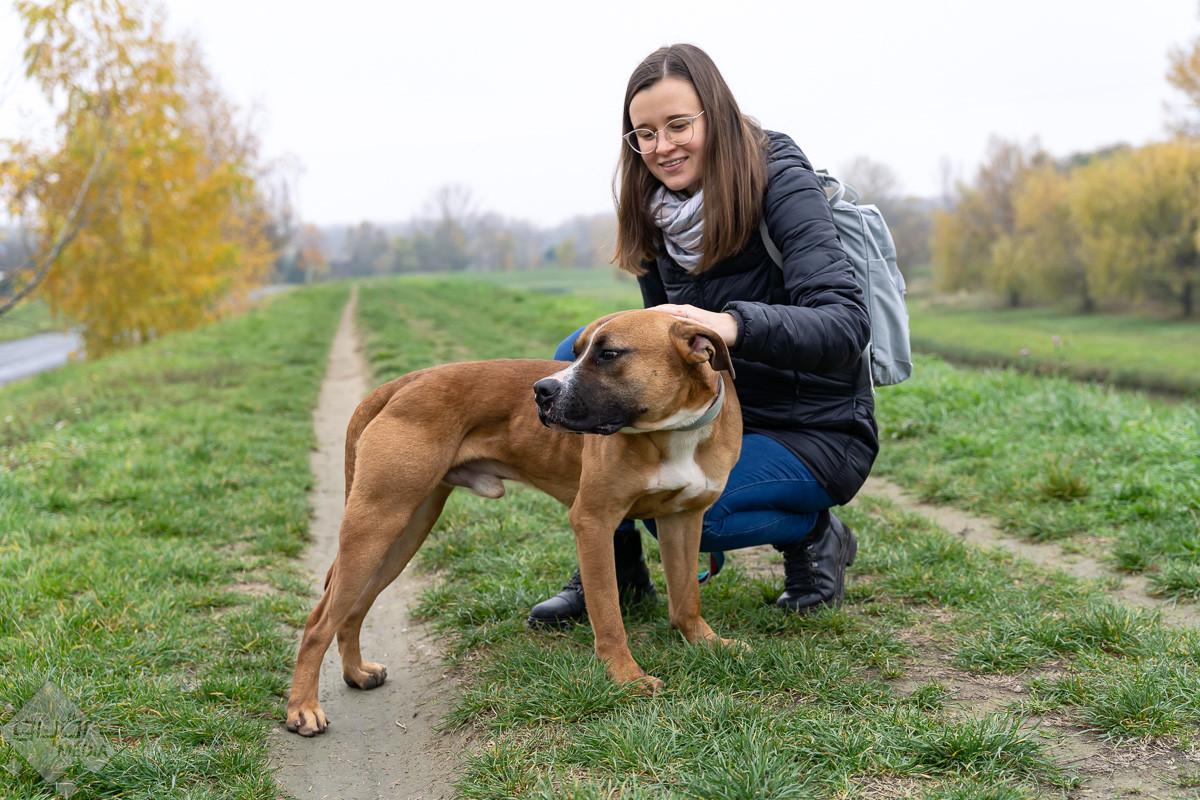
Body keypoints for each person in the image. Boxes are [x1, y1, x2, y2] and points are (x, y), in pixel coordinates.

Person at [527, 43, 878, 628]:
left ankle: (817, 534)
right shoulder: (651, 204)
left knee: (693, 510)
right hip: (713, 411)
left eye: (678, 125)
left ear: (715, 115)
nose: (662, 146)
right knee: (577, 363)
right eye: (644, 133)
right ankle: (616, 567)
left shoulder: (781, 182)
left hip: (812, 424)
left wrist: (733, 325)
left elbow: (845, 324)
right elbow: (650, 339)